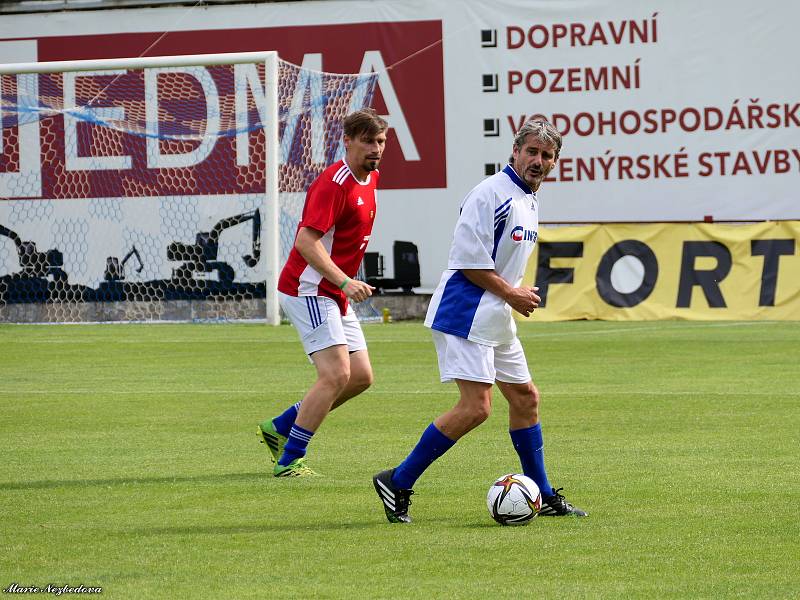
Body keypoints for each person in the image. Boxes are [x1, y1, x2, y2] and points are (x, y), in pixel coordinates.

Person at [373, 118, 587, 522]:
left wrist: (509, 298)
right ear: (514, 151)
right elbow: (468, 263)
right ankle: (397, 480)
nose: (538, 160)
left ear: (555, 161)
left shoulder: (528, 196)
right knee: (476, 408)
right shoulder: (490, 194)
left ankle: (541, 492)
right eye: (531, 151)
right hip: (465, 310)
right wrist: (512, 293)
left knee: (526, 398)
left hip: (495, 315)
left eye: (546, 155)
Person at [259, 108, 388, 477]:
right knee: (334, 376)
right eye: (367, 141)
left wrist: (344, 284)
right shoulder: (334, 183)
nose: (375, 148)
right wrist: (345, 281)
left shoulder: (371, 177)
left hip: (333, 291)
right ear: (347, 141)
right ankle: (289, 460)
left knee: (360, 377)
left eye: (379, 141)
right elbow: (305, 241)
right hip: (309, 289)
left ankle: (281, 426)